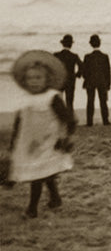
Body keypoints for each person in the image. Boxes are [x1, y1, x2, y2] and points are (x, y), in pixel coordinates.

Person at [9, 50, 75, 220]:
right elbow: (20, 121)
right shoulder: (25, 99)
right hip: (30, 143)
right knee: (44, 171)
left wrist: (67, 135)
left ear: (48, 79)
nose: (34, 82)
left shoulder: (52, 97)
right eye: (30, 78)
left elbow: (68, 118)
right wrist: (14, 142)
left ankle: (32, 208)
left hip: (48, 141)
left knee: (37, 175)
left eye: (38, 78)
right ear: (25, 80)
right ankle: (55, 198)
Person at [81, 34, 111, 125]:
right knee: (103, 102)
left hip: (90, 81)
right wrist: (108, 84)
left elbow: (84, 71)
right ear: (99, 43)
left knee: (90, 101)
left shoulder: (87, 57)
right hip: (102, 81)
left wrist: (86, 79)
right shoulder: (105, 56)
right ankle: (105, 121)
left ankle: (89, 122)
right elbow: (108, 72)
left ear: (91, 44)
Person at [53, 35, 83, 113]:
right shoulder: (74, 56)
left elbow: (51, 66)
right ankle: (70, 121)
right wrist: (77, 75)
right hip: (71, 80)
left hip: (60, 80)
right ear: (71, 45)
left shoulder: (56, 55)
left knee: (59, 101)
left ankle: (60, 120)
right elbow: (82, 66)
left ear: (62, 44)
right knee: (69, 101)